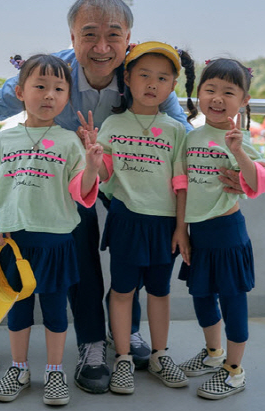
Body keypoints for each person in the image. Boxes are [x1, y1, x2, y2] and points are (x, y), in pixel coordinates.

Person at [0, 0, 205, 393]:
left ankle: (129, 336)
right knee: (79, 249)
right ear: (71, 37)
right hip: (64, 177)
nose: (102, 46)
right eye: (89, 34)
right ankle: (92, 345)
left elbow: (183, 135)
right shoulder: (51, 71)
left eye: (113, 34)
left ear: (128, 37)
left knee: (129, 252)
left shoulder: (140, 74)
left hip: (124, 178)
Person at [0, 54, 104, 405]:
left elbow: (81, 194)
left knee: (54, 311)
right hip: (16, 244)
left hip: (56, 243)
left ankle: (54, 372)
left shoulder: (69, 142)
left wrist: (93, 165)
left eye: (58, 88)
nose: (49, 95)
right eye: (40, 86)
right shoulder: (5, 139)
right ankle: (19, 368)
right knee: (18, 311)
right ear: (20, 92)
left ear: (67, 97)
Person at [91, 42, 195, 394]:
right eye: (144, 75)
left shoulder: (176, 131)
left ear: (171, 87)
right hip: (126, 221)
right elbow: (104, 175)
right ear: (128, 79)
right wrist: (94, 156)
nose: (152, 84)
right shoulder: (112, 124)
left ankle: (159, 354)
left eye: (162, 78)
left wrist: (182, 228)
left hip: (165, 226)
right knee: (122, 291)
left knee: (160, 292)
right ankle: (122, 358)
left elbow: (182, 185)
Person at [175, 58, 265, 400]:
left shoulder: (238, 138)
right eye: (210, 90)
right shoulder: (191, 138)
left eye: (228, 92)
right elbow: (182, 187)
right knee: (202, 298)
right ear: (199, 94)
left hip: (228, 235)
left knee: (233, 304)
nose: (217, 98)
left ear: (243, 100)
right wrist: (182, 230)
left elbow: (264, 178)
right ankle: (214, 352)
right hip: (198, 235)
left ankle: (234, 371)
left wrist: (239, 155)